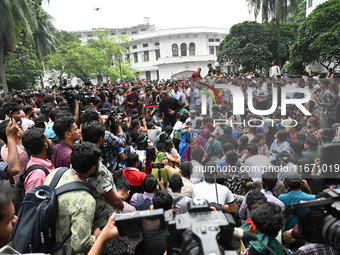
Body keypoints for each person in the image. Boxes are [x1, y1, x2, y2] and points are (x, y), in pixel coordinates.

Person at [44, 142, 102, 254]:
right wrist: (97, 237)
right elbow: (80, 245)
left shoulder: (57, 173)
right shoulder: (85, 199)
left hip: (44, 242)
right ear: (93, 168)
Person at [22, 128, 55, 193]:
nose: (50, 141)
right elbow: (34, 201)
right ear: (45, 145)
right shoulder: (38, 176)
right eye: (48, 138)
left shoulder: (42, 161)